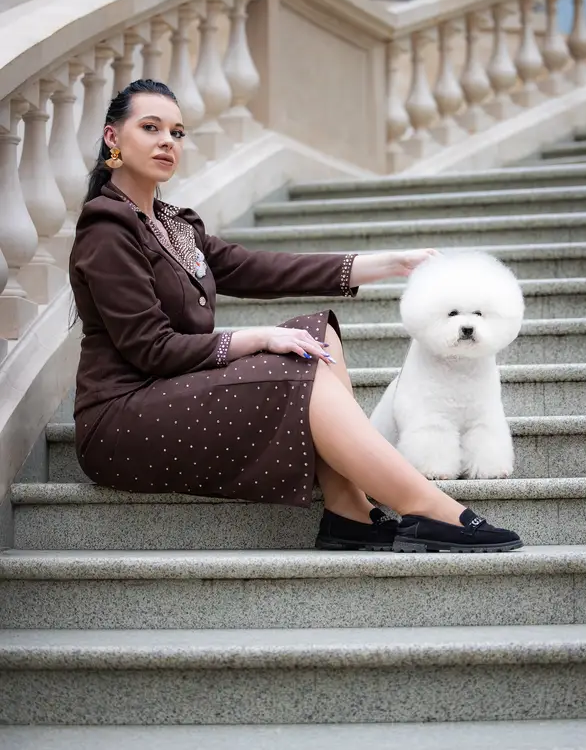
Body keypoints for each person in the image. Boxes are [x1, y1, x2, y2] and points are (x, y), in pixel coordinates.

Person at [69, 78, 522, 553]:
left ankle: (349, 511)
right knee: (293, 363)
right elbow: (151, 348)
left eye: (176, 132)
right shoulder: (107, 226)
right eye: (151, 127)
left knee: (315, 334)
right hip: (123, 419)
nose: (167, 141)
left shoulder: (175, 225)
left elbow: (263, 269)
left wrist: (389, 263)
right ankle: (426, 506)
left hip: (173, 391)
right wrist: (258, 338)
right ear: (113, 137)